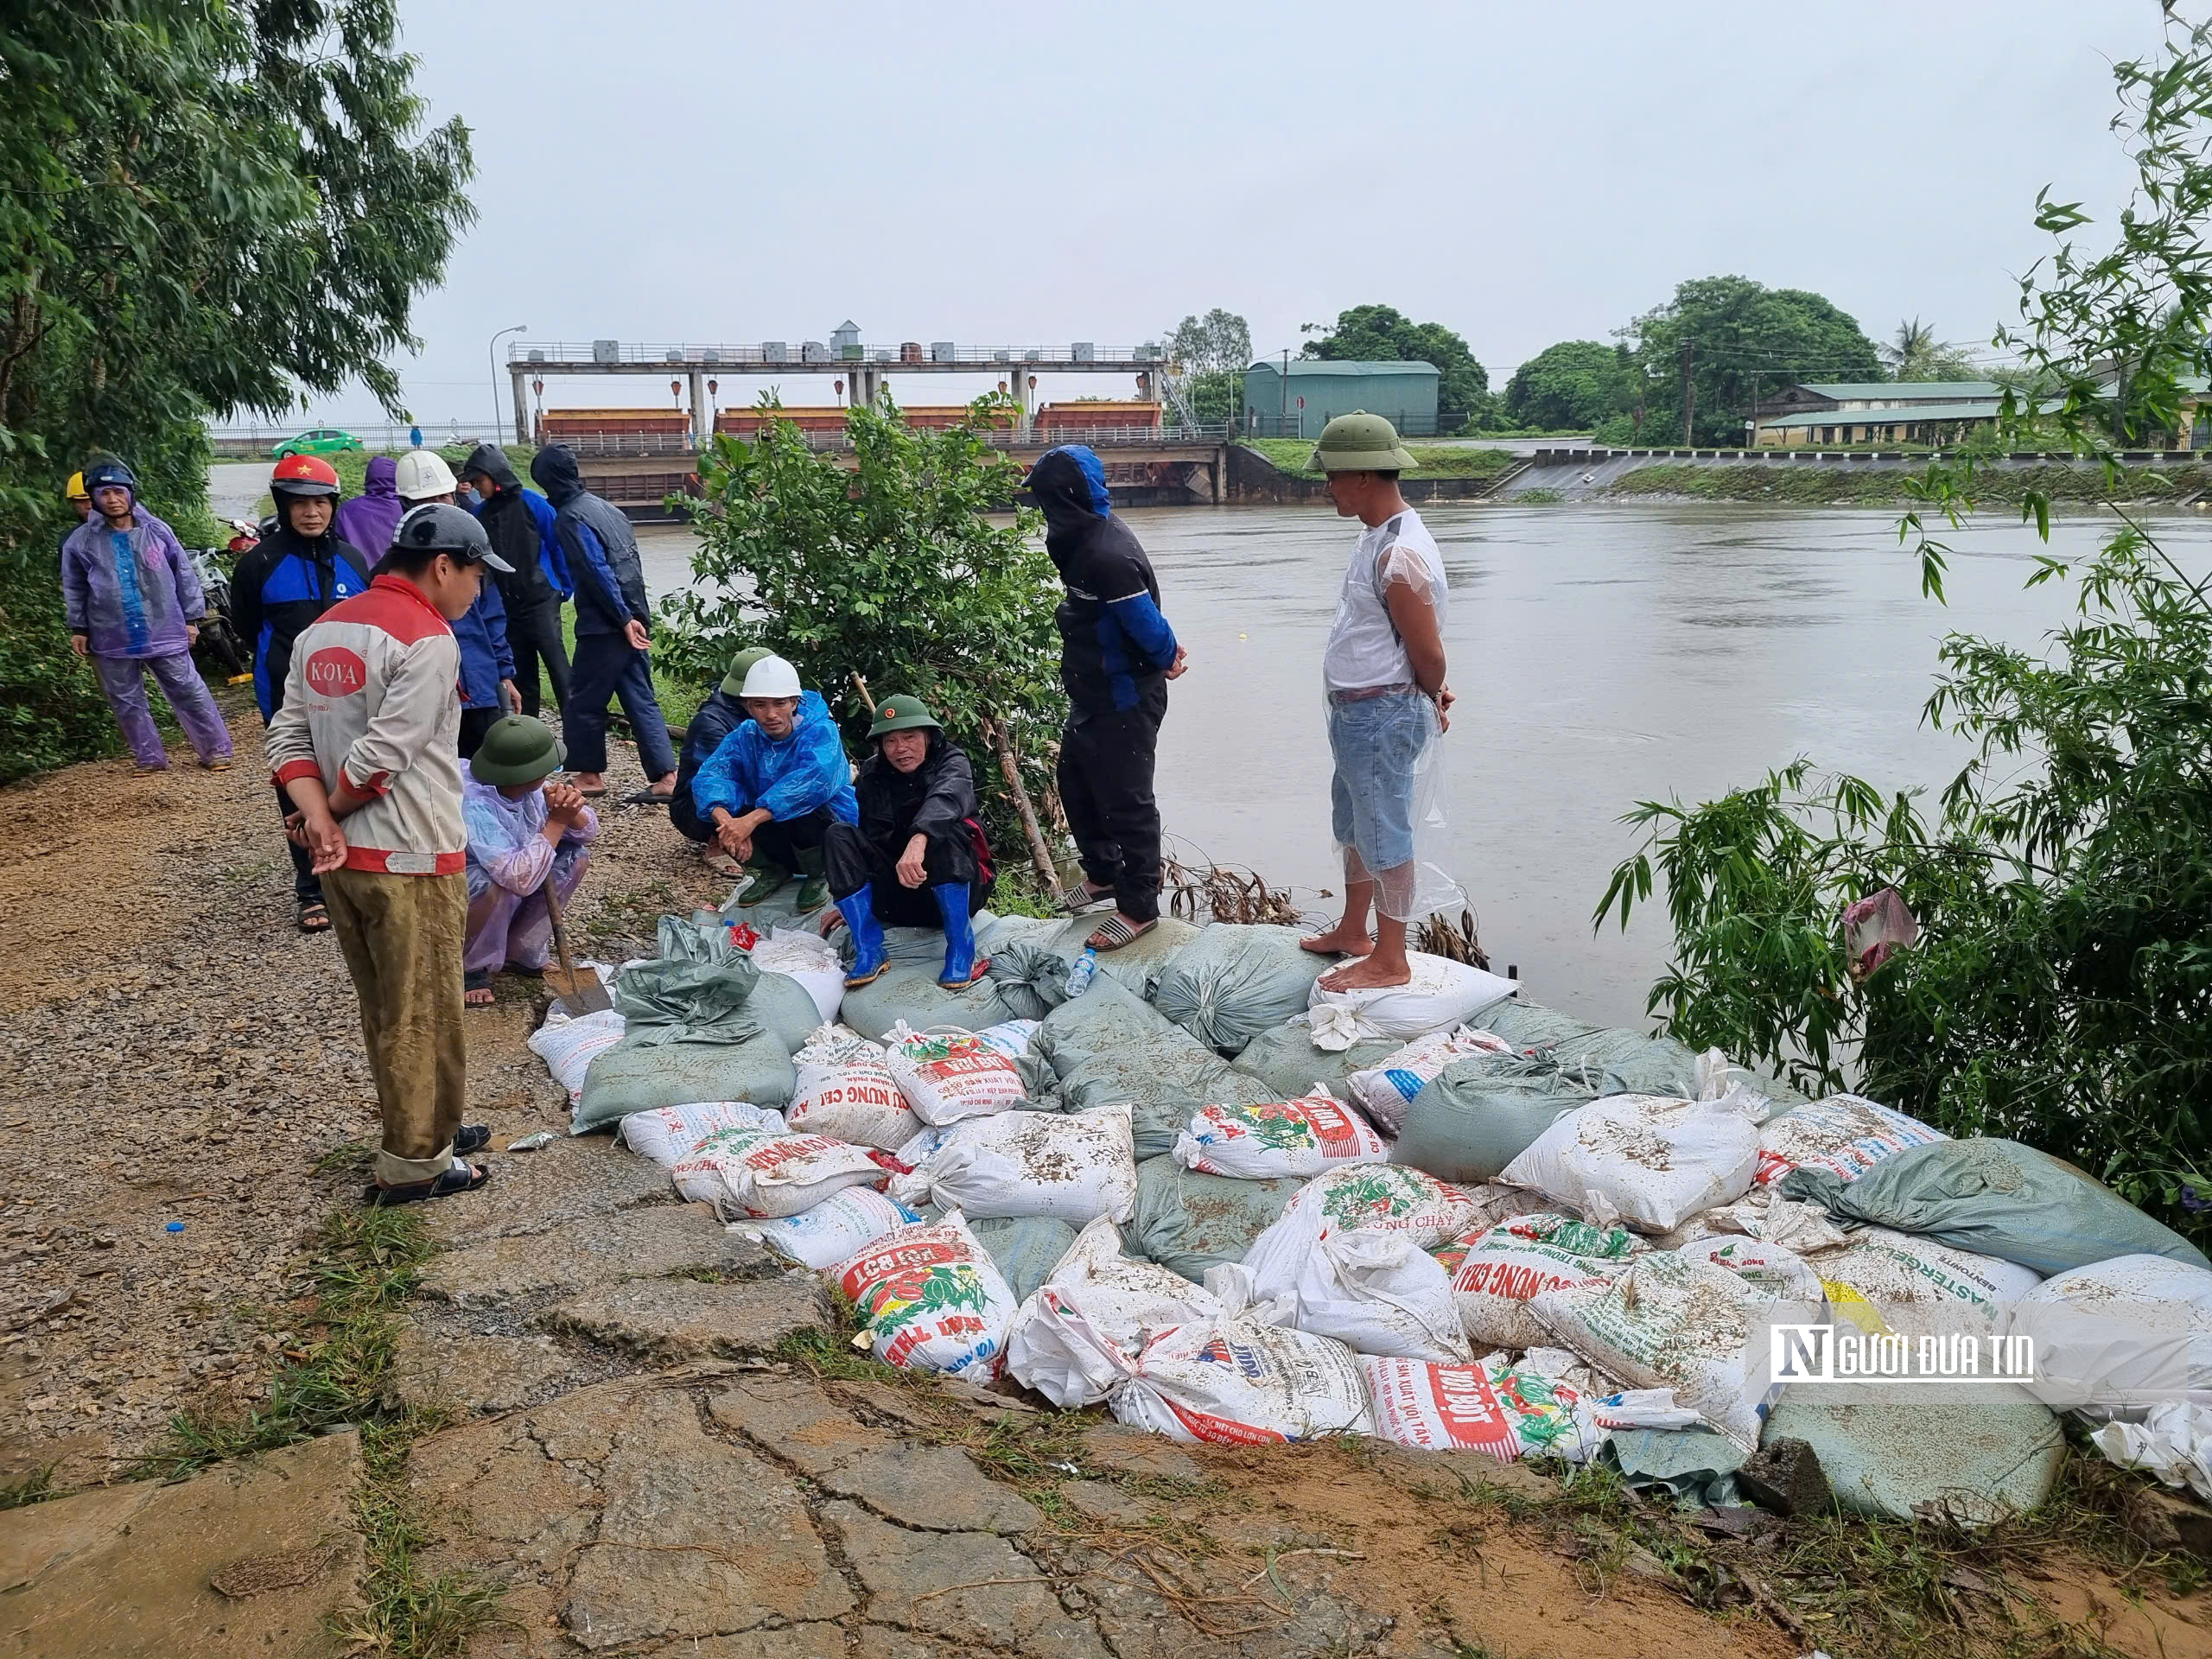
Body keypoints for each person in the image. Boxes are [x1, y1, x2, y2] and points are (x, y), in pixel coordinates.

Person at [266, 503, 514, 1205]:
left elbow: (287, 736)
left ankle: (435, 1123)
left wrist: (316, 817)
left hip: (346, 866)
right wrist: (333, 813)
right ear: (443, 567)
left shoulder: (324, 628)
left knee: (389, 1004)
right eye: (476, 578)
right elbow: (384, 756)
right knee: (422, 1010)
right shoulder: (428, 638)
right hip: (409, 855)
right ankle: (414, 1165)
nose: (477, 592)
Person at [1296, 412, 1460, 992]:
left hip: (1380, 715)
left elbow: (1429, 652)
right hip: (1359, 713)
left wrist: (1431, 691)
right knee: (1356, 824)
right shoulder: (1377, 538)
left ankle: (1390, 959)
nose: (1327, 488)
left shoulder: (1400, 557)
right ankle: (1352, 930)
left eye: (1333, 477)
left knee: (1385, 829)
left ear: (1363, 475)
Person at [1026, 444, 1187, 952]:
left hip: (1125, 695)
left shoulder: (1107, 554)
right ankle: (1102, 874)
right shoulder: (1073, 538)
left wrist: (1166, 656)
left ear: (1067, 498)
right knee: (1074, 780)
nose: (1044, 510)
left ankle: (1139, 907)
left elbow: (1145, 623)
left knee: (1127, 800)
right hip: (1092, 687)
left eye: (1049, 500)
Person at [232, 454, 374, 931]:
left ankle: (358, 871)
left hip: (353, 696)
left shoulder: (353, 562)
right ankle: (311, 889)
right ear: (283, 506)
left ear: (333, 506)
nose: (311, 512)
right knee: (299, 787)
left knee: (355, 780)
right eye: (299, 503)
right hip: (287, 698)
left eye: (320, 502)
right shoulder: (259, 563)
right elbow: (248, 626)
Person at [60, 458, 235, 774]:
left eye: (118, 492)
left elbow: (183, 574)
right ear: (93, 498)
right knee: (125, 699)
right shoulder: (81, 542)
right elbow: (74, 587)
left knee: (188, 689)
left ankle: (216, 750)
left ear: (130, 493)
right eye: (103, 494)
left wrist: (191, 619)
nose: (112, 500)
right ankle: (149, 758)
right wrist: (79, 627)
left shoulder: (156, 531)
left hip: (164, 628)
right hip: (109, 634)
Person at [527, 444, 676, 802]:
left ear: (549, 482)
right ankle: (668, 776)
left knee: (583, 699)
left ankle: (589, 774)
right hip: (634, 614)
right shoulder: (607, 508)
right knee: (640, 696)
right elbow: (630, 567)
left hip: (605, 623)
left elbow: (596, 572)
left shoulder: (570, 517)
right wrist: (636, 616)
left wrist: (621, 619)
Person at [826, 695, 995, 991]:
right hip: (898, 897)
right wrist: (850, 894)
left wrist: (919, 840)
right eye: (890, 741)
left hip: (955, 888)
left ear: (928, 736)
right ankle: (870, 950)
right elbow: (867, 841)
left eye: (909, 737)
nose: (900, 749)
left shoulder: (951, 760)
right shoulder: (872, 773)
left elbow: (947, 799)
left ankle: (960, 947)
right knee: (839, 834)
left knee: (945, 830)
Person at [690, 653, 855, 912]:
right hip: (776, 828)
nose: (771, 714)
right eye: (760, 705)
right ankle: (771, 870)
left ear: (794, 702)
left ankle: (820, 873)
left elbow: (815, 781)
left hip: (826, 830)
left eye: (779, 704)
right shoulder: (746, 735)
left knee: (806, 809)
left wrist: (750, 821)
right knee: (722, 807)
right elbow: (711, 775)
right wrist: (728, 824)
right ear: (747, 706)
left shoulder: (820, 731)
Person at [461, 715, 599, 1007]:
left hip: (515, 868)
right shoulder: (474, 802)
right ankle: (468, 965)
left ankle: (519, 950)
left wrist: (570, 811)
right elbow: (517, 877)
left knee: (575, 858)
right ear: (521, 774)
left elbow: (588, 834)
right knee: (494, 887)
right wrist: (556, 823)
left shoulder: (531, 787)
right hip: (467, 880)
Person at [391, 451, 516, 757]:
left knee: (490, 778)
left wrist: (504, 674)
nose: (436, 509)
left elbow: (492, 617)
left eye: (442, 498)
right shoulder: (394, 568)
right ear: (407, 508)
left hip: (481, 688)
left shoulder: (472, 552)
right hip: (428, 697)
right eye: (424, 502)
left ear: (455, 496)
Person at [462, 442, 571, 719]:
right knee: (523, 677)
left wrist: (565, 587)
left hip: (541, 600)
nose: (476, 487)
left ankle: (579, 740)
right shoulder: (478, 515)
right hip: (507, 607)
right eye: (473, 482)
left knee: (559, 671)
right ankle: (530, 743)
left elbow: (558, 545)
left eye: (479, 480)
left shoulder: (533, 503)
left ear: (495, 475)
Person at [670, 645, 771, 877]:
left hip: (748, 795)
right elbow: (716, 780)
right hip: (697, 807)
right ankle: (718, 843)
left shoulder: (768, 713)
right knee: (735, 785)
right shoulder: (712, 723)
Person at [332, 454, 404, 559]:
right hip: (396, 573)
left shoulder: (347, 510)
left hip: (358, 572)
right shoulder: (406, 508)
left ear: (368, 478)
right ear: (397, 478)